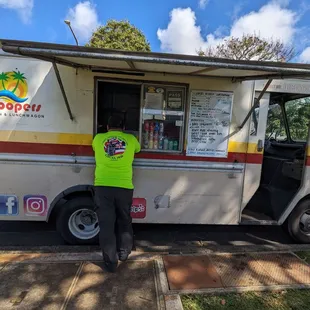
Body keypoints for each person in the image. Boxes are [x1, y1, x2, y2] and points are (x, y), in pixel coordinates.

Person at [92, 113, 141, 272]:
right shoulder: (131, 140)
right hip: (124, 187)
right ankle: (124, 253)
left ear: (107, 127)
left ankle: (111, 263)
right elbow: (138, 149)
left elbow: (94, 148)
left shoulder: (98, 139)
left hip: (103, 186)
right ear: (124, 128)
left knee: (106, 224)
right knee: (124, 220)